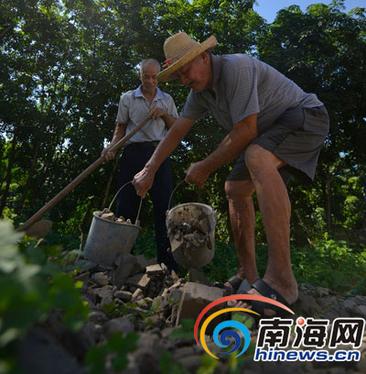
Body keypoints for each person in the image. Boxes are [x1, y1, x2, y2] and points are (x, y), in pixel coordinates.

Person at [132, 33, 329, 313]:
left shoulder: (237, 68)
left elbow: (246, 130)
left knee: (256, 155)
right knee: (235, 188)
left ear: (203, 56)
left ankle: (283, 281)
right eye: (177, 77)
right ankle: (248, 275)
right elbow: (177, 130)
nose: (184, 80)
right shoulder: (199, 93)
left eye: (185, 70)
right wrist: (149, 169)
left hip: (306, 115)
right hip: (269, 131)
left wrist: (204, 166)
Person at [101, 58, 178, 271]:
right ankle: (120, 262)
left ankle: (167, 265)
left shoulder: (167, 100)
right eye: (147, 76)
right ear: (140, 75)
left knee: (164, 208)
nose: (151, 81)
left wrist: (163, 114)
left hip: (159, 154)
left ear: (159, 77)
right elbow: (120, 128)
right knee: (126, 207)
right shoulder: (128, 98)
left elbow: (177, 128)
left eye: (155, 77)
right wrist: (112, 147)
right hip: (133, 154)